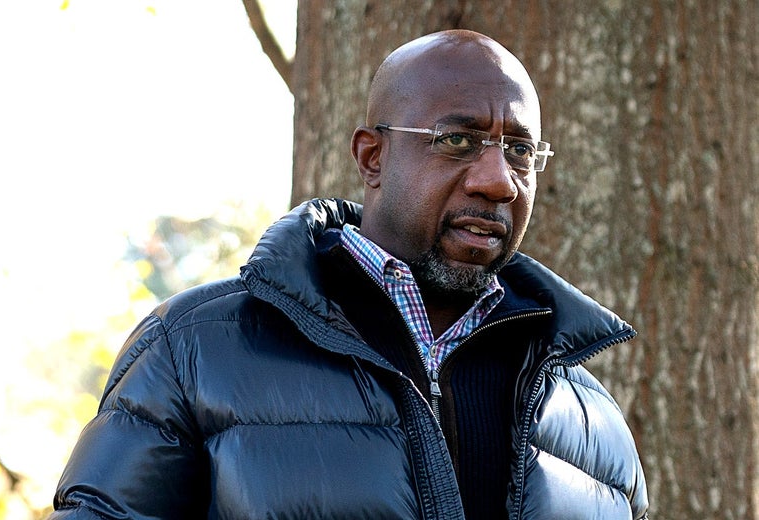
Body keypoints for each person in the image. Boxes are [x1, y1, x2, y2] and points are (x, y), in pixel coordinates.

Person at [50, 29, 648, 519]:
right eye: (459, 140)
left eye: (520, 150)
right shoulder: (191, 352)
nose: (498, 179)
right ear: (372, 158)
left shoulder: (591, 424)